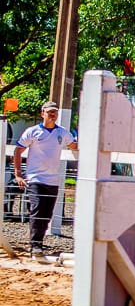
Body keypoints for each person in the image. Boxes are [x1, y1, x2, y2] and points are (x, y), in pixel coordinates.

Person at [12, 101, 77, 262]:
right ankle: (35, 246)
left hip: (53, 180)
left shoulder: (62, 133)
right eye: (49, 112)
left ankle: (37, 244)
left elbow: (74, 145)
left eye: (54, 112)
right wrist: (18, 174)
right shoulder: (32, 131)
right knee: (37, 211)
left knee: (47, 214)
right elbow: (18, 150)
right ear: (43, 113)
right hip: (35, 179)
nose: (52, 114)